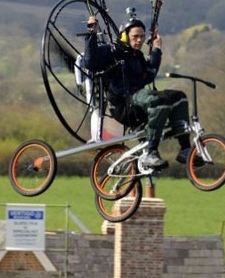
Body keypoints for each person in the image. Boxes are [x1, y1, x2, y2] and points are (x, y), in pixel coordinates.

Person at [83, 13, 194, 169]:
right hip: (124, 105)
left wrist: (156, 50)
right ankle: (151, 152)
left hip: (138, 100)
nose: (140, 40)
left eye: (142, 37)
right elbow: (90, 62)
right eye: (135, 36)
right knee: (158, 101)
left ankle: (185, 149)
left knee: (178, 97)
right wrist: (91, 33)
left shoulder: (137, 56)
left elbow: (148, 75)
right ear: (124, 36)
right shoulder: (112, 52)